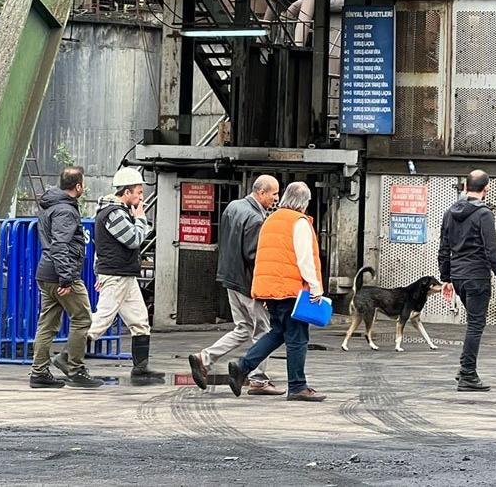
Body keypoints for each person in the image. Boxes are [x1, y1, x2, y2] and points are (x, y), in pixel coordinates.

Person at [227, 181, 326, 402]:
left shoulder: (270, 220)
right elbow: (304, 259)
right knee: (298, 338)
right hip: (291, 290)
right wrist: (315, 287)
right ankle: (298, 386)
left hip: (271, 289)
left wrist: (264, 292)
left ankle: (243, 367)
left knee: (279, 332)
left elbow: (263, 257)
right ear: (303, 202)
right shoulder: (298, 222)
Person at [187, 175, 284, 395]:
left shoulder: (233, 207)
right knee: (263, 331)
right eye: (274, 193)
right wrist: (266, 288)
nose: (276, 198)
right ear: (261, 193)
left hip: (230, 278)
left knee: (243, 328)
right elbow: (254, 256)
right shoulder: (256, 218)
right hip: (248, 283)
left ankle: (205, 358)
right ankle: (258, 380)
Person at [438, 170, 496, 392]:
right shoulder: (484, 214)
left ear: (464, 187)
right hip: (477, 277)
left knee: (473, 323)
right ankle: (467, 374)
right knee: (475, 325)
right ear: (487, 188)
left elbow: (443, 248)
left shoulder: (449, 212)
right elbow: (492, 251)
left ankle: (465, 368)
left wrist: (446, 278)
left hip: (459, 277)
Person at [86, 167, 163, 385]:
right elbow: (134, 240)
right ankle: (69, 359)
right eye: (139, 192)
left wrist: (97, 273)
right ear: (126, 192)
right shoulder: (114, 214)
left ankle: (141, 369)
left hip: (124, 275)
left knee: (140, 322)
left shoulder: (118, 211)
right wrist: (141, 219)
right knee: (101, 320)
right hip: (116, 275)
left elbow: (99, 248)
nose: (141, 197)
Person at [30, 166, 102, 389]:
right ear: (78, 186)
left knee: (47, 324)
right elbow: (60, 245)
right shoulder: (65, 211)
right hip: (61, 273)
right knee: (82, 319)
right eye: (84, 183)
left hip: (46, 272)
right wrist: (67, 279)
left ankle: (39, 372)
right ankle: (75, 369)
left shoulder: (51, 205)